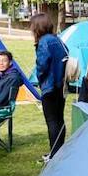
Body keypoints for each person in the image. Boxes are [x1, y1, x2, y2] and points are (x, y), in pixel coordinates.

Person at [31, 13, 68, 161]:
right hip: (61, 85)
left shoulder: (44, 42)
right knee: (59, 119)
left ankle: (54, 154)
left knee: (52, 121)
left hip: (50, 86)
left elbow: (42, 65)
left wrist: (40, 78)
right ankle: (59, 151)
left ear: (38, 27)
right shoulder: (57, 39)